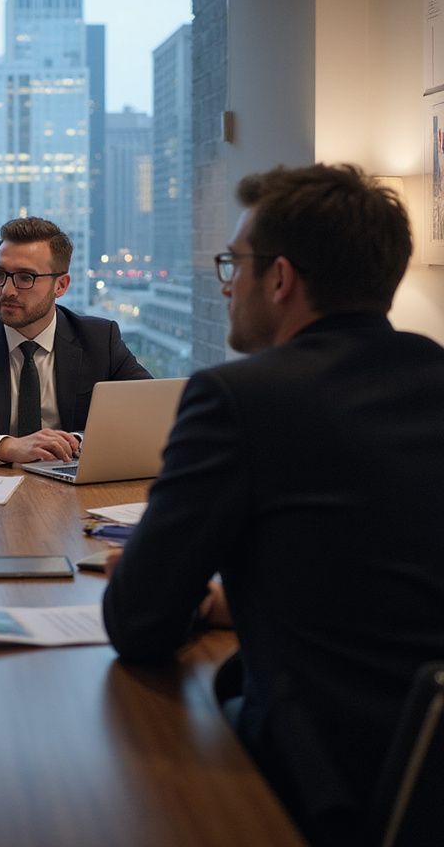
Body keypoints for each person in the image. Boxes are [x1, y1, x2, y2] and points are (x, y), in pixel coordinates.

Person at [101, 164, 444, 844]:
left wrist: (184, 597)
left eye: (236, 264)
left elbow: (138, 623)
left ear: (281, 278)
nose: (228, 285)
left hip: (320, 784)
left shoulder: (238, 399)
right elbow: (378, 565)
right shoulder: (431, 374)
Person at [0, 216, 150, 464]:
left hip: (73, 483)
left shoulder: (99, 339)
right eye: (0, 274)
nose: (7, 290)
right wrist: (7, 446)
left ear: (61, 285)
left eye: (25, 277)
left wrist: (79, 441)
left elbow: (149, 409)